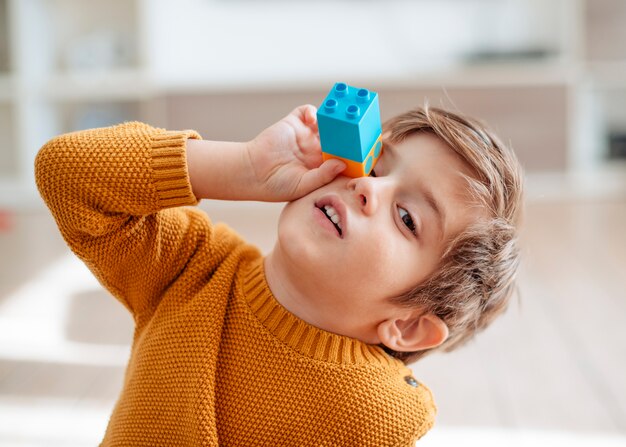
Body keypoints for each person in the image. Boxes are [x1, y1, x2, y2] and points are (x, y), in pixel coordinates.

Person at [35, 103, 523, 446]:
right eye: (373, 166)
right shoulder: (189, 266)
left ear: (411, 325)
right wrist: (243, 167)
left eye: (408, 218)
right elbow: (65, 170)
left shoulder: (376, 415)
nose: (366, 189)